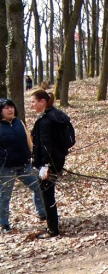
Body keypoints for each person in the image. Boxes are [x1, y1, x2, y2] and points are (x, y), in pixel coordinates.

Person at [0, 99, 46, 234]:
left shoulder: (18, 122)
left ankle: (42, 213)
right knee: (4, 196)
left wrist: (34, 156)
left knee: (38, 187)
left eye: (11, 107)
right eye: (6, 108)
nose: (10, 110)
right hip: (6, 168)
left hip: (24, 165)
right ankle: (4, 224)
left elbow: (28, 141)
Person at [30, 90, 70, 238]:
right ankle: (52, 226)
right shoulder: (58, 115)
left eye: (33, 102)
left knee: (47, 195)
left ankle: (52, 229)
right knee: (48, 193)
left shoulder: (45, 121)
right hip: (58, 160)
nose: (31, 105)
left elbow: (46, 145)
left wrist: (45, 165)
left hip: (49, 163)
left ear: (42, 102)